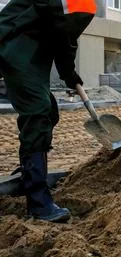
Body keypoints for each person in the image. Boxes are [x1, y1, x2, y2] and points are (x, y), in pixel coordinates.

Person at [0, 0, 96, 222]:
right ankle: (39, 203)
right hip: (15, 45)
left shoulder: (86, 6)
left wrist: (69, 74)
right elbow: (55, 25)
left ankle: (29, 175)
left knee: (49, 111)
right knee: (38, 111)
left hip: (33, 52)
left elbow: (65, 39)